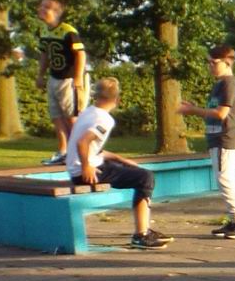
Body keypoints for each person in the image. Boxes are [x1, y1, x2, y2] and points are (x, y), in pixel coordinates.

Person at [64, 77, 172, 249]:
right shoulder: (104, 119)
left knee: (136, 172)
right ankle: (141, 235)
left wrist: (122, 160)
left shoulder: (88, 112)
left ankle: (144, 230)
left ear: (96, 96)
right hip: (87, 172)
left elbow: (94, 149)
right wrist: (86, 166)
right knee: (145, 177)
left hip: (85, 168)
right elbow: (82, 142)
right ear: (117, 99)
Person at [177, 43, 235, 239]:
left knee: (226, 180)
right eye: (208, 62)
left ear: (227, 62)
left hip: (225, 138)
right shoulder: (219, 84)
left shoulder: (229, 83)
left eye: (214, 62)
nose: (210, 66)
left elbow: (221, 113)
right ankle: (234, 221)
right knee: (224, 180)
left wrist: (193, 111)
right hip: (217, 139)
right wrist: (195, 108)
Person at [35, 0, 86, 166]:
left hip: (68, 79)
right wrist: (40, 75)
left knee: (72, 118)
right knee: (56, 117)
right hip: (54, 77)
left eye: (46, 7)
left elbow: (80, 54)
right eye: (41, 6)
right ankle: (63, 152)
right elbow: (44, 55)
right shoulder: (43, 30)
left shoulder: (67, 31)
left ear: (56, 12)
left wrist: (78, 77)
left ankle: (80, 153)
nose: (41, 9)